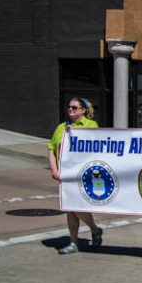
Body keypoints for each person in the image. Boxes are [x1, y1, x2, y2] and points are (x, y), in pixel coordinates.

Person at [47, 97, 103, 254]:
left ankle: (94, 230)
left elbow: (94, 143)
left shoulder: (91, 125)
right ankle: (74, 242)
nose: (70, 109)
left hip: (84, 174)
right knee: (70, 209)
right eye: (69, 107)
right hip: (66, 175)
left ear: (83, 110)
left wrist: (75, 132)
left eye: (74, 107)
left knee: (77, 207)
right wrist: (54, 170)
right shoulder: (61, 127)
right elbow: (51, 148)